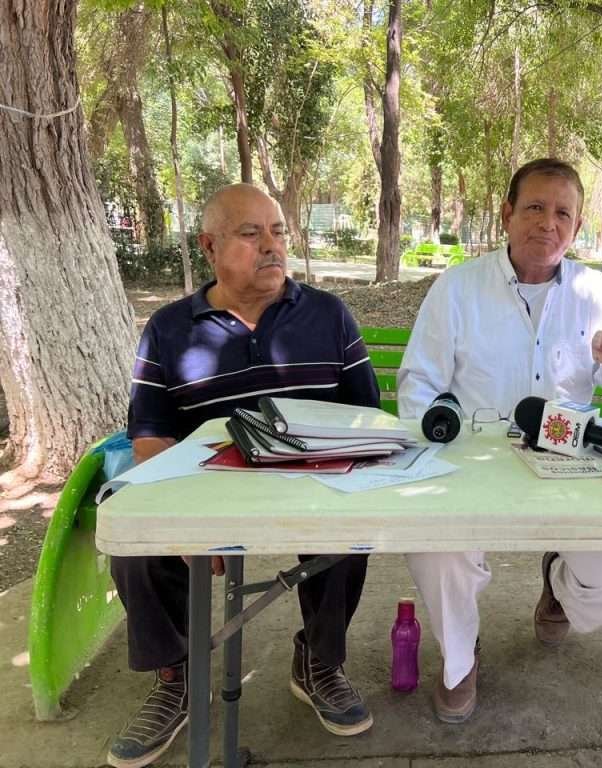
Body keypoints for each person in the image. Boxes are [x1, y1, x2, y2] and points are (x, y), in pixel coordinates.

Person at [107, 184, 380, 768]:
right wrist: (184, 525)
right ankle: (177, 676)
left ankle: (319, 660)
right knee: (138, 545)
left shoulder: (328, 315)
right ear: (209, 246)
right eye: (251, 234)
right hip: (209, 490)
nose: (272, 245)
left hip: (314, 484)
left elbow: (367, 418)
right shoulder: (169, 329)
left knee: (351, 533)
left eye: (278, 231)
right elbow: (151, 438)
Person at [397, 158, 602, 723]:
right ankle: (460, 658)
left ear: (577, 227)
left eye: (563, 213)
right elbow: (418, 384)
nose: (548, 223)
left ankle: (559, 581)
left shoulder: (594, 290)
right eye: (535, 207)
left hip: (568, 464)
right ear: (507, 213)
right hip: (474, 464)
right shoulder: (458, 287)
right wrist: (442, 433)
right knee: (436, 549)